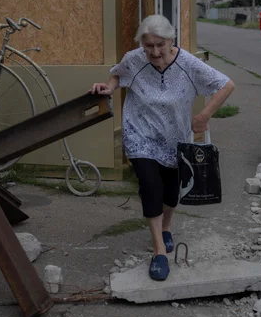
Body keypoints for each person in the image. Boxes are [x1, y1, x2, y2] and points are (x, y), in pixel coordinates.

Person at [90, 15, 234, 281]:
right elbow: (117, 74)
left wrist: (204, 115)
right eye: (148, 47)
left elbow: (226, 85)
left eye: (160, 45)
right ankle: (159, 251)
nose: (154, 52)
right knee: (150, 186)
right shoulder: (135, 59)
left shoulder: (189, 64)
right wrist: (109, 89)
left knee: (171, 191)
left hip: (174, 138)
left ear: (171, 40)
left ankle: (166, 228)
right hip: (140, 134)